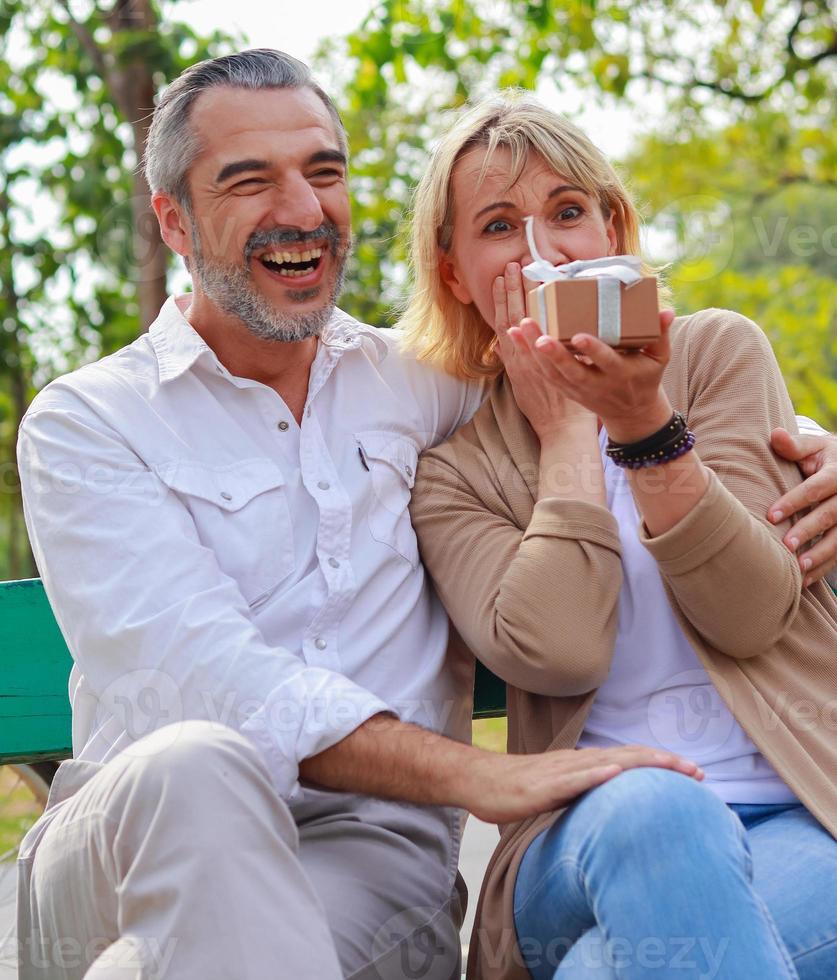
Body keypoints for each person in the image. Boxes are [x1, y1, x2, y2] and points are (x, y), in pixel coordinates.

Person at [14, 51, 725, 980]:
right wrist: (481, 775)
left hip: (362, 855)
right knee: (195, 763)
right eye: (249, 182)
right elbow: (208, 679)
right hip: (125, 837)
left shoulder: (424, 385)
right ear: (173, 222)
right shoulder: (89, 422)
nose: (303, 211)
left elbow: (634, 383)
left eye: (323, 171)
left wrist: (813, 442)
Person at [406, 93, 837, 979]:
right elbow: (558, 650)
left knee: (602, 970)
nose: (542, 250)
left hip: (799, 807)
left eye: (568, 213)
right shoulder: (455, 471)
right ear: (452, 274)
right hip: (580, 838)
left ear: (613, 231)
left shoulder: (714, 356)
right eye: (498, 226)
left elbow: (752, 611)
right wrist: (566, 435)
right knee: (653, 809)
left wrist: (645, 430)